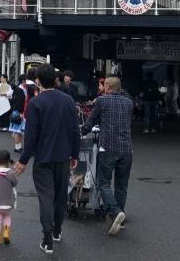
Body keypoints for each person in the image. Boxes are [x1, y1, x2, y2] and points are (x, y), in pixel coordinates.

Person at [14, 64, 79, 254]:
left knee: (46, 197)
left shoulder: (36, 103)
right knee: (60, 195)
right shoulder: (68, 100)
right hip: (63, 156)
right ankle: (57, 230)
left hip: (43, 157)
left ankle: (47, 238)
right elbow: (75, 130)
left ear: (39, 80)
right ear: (56, 79)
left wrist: (24, 160)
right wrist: (74, 155)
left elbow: (31, 134)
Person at [82, 76, 133, 236]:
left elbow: (90, 123)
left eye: (104, 85)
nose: (102, 88)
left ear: (109, 86)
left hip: (108, 147)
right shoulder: (129, 103)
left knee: (103, 183)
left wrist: (79, 132)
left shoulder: (102, 101)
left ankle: (115, 212)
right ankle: (119, 220)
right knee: (121, 186)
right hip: (126, 149)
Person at [9, 75, 27, 153]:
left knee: (20, 130)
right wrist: (20, 112)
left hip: (21, 111)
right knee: (17, 130)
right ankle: (17, 147)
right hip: (19, 112)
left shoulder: (22, 89)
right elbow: (19, 102)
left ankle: (19, 146)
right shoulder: (19, 90)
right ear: (23, 81)